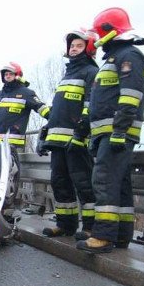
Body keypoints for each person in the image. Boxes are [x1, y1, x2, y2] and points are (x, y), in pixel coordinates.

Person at [77, 8, 144, 254]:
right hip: (107, 133)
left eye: (99, 33)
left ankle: (103, 236)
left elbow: (130, 97)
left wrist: (119, 131)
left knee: (104, 181)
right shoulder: (115, 58)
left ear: (109, 31)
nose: (97, 38)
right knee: (120, 184)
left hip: (116, 133)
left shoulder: (129, 56)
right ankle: (120, 235)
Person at [39, 29, 99, 238]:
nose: (73, 49)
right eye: (72, 46)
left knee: (84, 184)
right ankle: (65, 225)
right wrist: (45, 134)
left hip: (77, 140)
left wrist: (81, 134)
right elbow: (59, 110)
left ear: (88, 48)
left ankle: (91, 227)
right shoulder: (68, 75)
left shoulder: (91, 72)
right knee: (60, 183)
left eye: (79, 46)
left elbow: (91, 105)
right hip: (58, 142)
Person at [0, 62, 50, 214]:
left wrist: (55, 119)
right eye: (5, 74)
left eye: (10, 74)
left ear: (17, 75)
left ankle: (7, 210)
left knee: (9, 178)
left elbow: (41, 108)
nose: (7, 76)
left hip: (12, 145)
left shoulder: (26, 93)